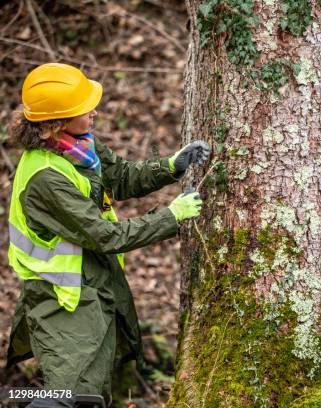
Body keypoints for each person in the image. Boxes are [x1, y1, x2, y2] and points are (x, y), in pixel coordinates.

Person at [5, 63, 211, 407]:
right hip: (62, 301)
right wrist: (170, 217)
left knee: (91, 396)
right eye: (84, 110)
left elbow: (119, 176)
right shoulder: (46, 178)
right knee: (67, 398)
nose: (94, 112)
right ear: (55, 123)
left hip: (93, 288)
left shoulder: (78, 146)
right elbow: (104, 236)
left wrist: (172, 166)